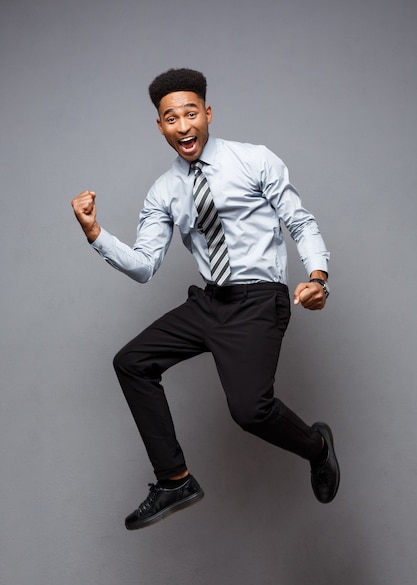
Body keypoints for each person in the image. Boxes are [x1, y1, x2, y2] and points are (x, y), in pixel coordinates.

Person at [71, 68, 340, 531]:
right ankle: (174, 479)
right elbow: (143, 266)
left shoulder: (254, 160)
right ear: (160, 127)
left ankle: (316, 447)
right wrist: (95, 233)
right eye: (170, 118)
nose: (183, 126)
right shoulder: (164, 190)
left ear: (207, 114)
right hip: (210, 301)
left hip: (259, 299)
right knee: (131, 361)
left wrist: (318, 276)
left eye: (190, 113)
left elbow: (299, 221)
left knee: (250, 411)